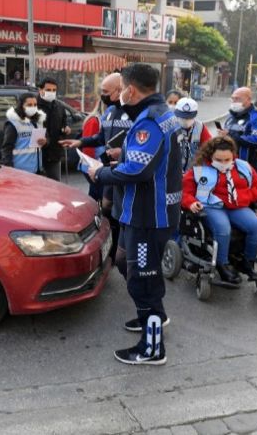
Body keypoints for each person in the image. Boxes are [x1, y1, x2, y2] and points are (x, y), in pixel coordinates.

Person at [88, 64, 182, 366]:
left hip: (148, 215)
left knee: (143, 280)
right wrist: (123, 155)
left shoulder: (149, 122)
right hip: (146, 212)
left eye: (120, 89)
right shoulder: (161, 115)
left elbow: (138, 170)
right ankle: (151, 315)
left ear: (130, 89)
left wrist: (99, 172)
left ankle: (152, 348)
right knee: (123, 262)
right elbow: (149, 159)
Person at [60, 73, 129, 263]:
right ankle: (110, 248)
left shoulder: (135, 112)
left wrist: (122, 151)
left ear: (119, 90)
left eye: (106, 91)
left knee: (120, 211)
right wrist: (79, 141)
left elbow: (143, 144)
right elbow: (100, 137)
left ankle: (120, 252)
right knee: (106, 207)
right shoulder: (108, 112)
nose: (103, 95)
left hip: (127, 171)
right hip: (107, 169)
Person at [181, 136, 257, 285]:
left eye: (227, 159)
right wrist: (191, 203)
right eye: (218, 160)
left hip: (237, 206)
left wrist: (243, 197)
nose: (223, 163)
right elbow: (184, 192)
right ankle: (222, 264)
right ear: (210, 156)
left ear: (233, 155)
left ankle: (247, 262)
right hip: (211, 206)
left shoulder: (243, 167)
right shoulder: (200, 170)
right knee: (223, 227)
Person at [221, 87, 257, 176]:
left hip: (250, 167)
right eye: (233, 98)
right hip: (229, 165)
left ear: (248, 99)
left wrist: (230, 135)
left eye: (238, 99)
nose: (234, 101)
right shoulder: (231, 117)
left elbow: (256, 140)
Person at [1, 93, 47, 174]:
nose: (33, 107)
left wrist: (46, 141)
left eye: (35, 105)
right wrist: (9, 170)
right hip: (20, 171)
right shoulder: (13, 124)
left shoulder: (38, 121)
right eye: (29, 105)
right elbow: (6, 149)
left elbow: (46, 139)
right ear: (21, 106)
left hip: (37, 170)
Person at [37, 78, 71, 181]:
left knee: (55, 184)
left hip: (54, 153)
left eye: (53, 90)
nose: (51, 93)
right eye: (48, 90)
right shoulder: (34, 106)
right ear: (40, 90)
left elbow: (64, 124)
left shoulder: (59, 106)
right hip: (38, 154)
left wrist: (66, 129)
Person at [174, 97, 212, 172]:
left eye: (189, 117)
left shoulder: (200, 127)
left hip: (195, 170)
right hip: (174, 171)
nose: (185, 120)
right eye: (182, 117)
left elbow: (209, 148)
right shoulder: (169, 126)